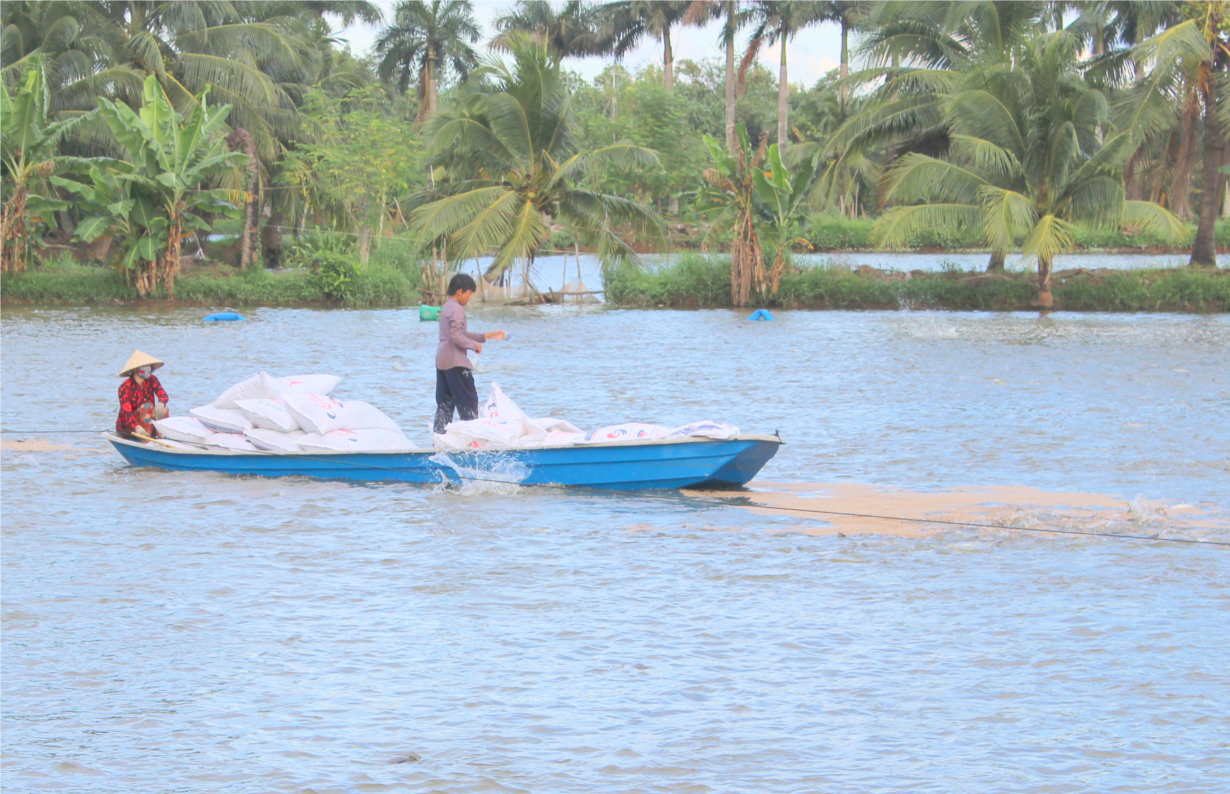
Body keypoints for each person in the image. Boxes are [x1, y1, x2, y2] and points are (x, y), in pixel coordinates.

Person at [435, 274, 505, 434]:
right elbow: (456, 336)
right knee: (469, 402)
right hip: (456, 362)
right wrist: (475, 345)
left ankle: (439, 439)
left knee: (445, 405)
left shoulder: (447, 306)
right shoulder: (457, 310)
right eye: (469, 294)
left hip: (442, 361)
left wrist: (486, 336)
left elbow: (460, 333)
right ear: (460, 291)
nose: (469, 298)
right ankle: (472, 439)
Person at [116, 350, 169, 439]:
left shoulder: (152, 380)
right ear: (135, 371)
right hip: (130, 427)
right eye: (143, 368)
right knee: (148, 406)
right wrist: (137, 427)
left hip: (149, 421)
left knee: (164, 409)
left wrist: (161, 403)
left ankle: (161, 437)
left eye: (149, 368)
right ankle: (145, 441)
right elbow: (126, 412)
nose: (147, 371)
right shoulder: (125, 387)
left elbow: (163, 395)